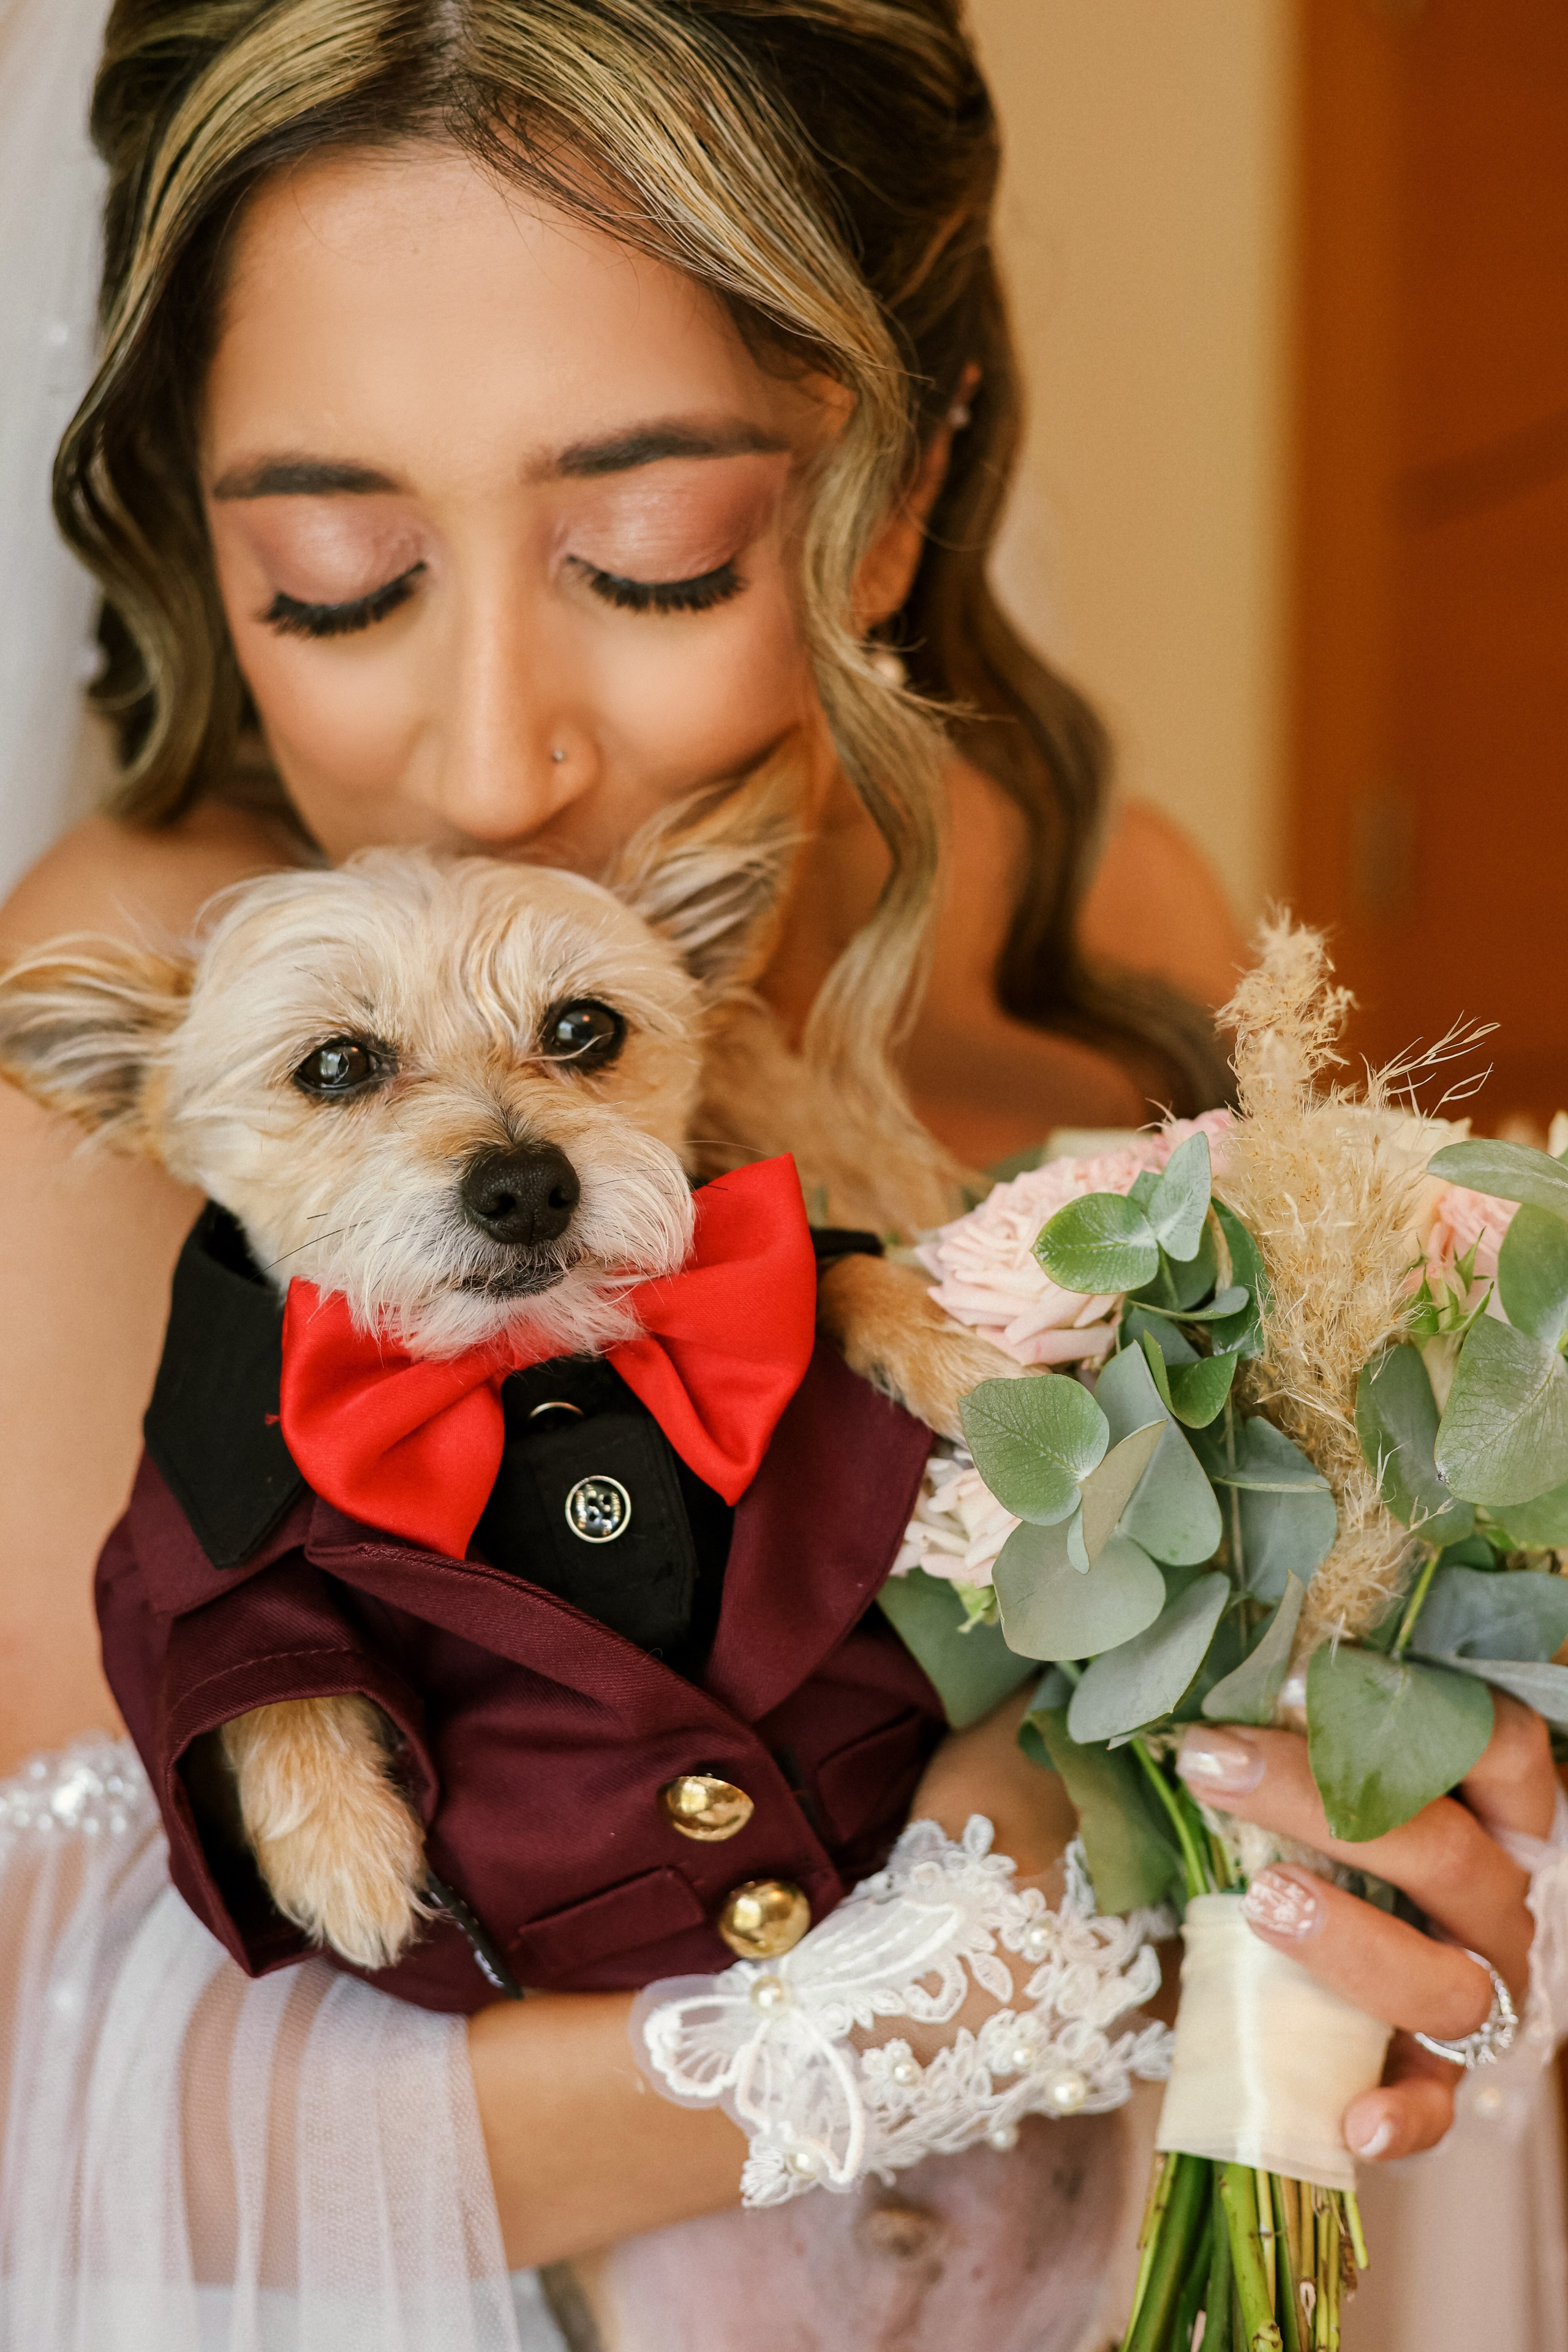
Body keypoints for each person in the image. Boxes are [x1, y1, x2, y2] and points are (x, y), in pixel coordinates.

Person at [0, 4, 1560, 2346]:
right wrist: (1018, 1935)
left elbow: (1380, 1799)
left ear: (906, 479)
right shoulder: (125, 1024)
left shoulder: (1115, 930)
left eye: (651, 553)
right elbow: (108, 2134)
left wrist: (1426, 1885)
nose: (492, 759)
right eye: (331, 577)